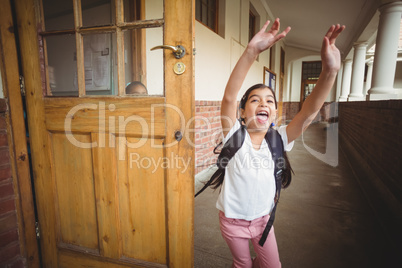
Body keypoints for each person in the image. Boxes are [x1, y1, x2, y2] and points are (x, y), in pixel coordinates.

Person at [216, 18, 345, 267]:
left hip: (264, 221)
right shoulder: (234, 135)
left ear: (274, 113)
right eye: (255, 100)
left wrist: (330, 72)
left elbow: (308, 113)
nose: (263, 104)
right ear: (242, 112)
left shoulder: (280, 139)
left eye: (269, 101)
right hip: (233, 222)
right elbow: (229, 97)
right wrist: (251, 51)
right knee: (242, 264)